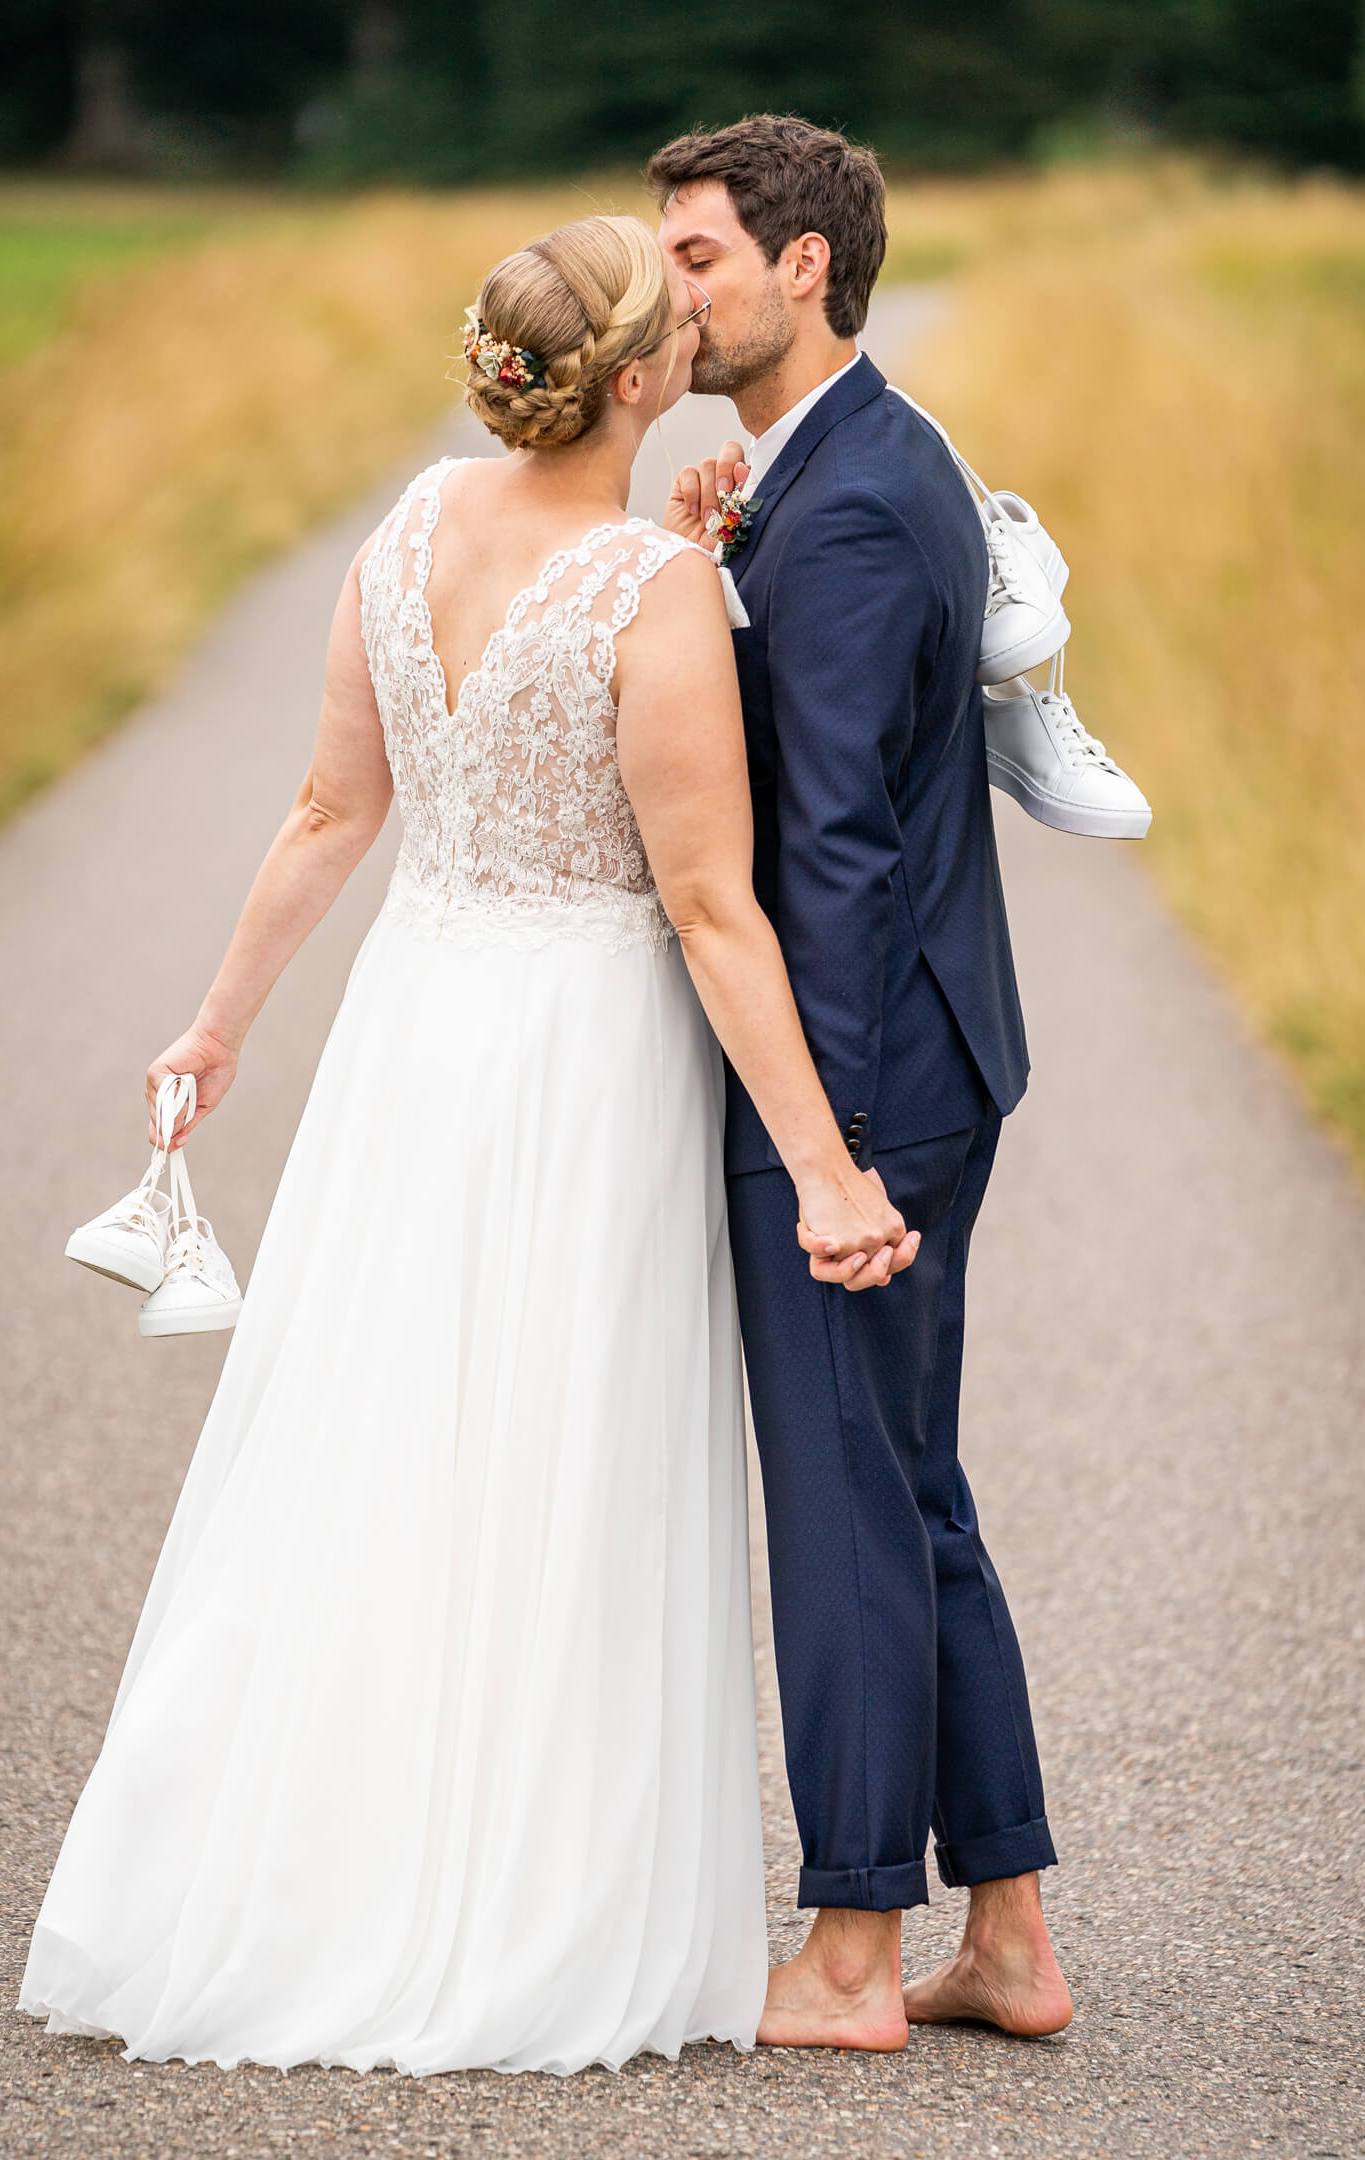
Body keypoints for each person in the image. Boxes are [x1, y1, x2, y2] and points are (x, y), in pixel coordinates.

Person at [17, 213, 918, 2077]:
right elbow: (712, 909)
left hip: (416, 1030)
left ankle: (315, 1870)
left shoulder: (411, 527)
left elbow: (323, 809)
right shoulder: (650, 598)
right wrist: (829, 1168)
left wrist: (220, 1024)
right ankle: (515, 1906)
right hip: (581, 1057)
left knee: (383, 1439)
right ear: (647, 377)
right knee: (558, 1455)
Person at [653, 116, 1073, 2049]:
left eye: (704, 258)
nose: (680, 293)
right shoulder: (866, 461)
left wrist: (818, 1155)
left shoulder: (832, 508)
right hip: (930, 1054)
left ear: (803, 264)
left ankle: (844, 1953)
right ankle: (1007, 1939)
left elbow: (829, 852)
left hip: (862, 1085)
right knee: (912, 1490)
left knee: (842, 1497)